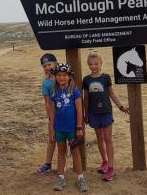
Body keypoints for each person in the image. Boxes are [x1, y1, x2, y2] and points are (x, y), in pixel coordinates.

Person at [82, 51, 129, 181]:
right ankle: (105, 161)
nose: (93, 66)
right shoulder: (86, 80)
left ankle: (111, 168)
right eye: (91, 64)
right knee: (99, 139)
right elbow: (86, 98)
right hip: (93, 113)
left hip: (106, 112)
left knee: (108, 139)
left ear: (101, 63)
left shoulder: (106, 77)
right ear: (88, 64)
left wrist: (121, 106)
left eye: (96, 63)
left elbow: (111, 94)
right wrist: (86, 114)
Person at [49, 63, 90, 192]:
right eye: (59, 75)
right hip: (59, 129)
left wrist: (79, 127)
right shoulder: (54, 92)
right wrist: (51, 128)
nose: (61, 77)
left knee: (75, 153)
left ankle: (80, 178)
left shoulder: (75, 91)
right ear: (55, 77)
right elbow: (52, 112)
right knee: (61, 153)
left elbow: (79, 110)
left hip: (72, 129)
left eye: (64, 75)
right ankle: (61, 177)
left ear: (69, 77)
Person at [36, 53, 57, 174]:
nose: (47, 67)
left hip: (66, 115)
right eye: (44, 66)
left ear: (55, 63)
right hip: (53, 117)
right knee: (52, 140)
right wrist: (51, 118)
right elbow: (47, 102)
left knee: (63, 141)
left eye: (49, 64)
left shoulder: (63, 77)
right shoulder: (46, 83)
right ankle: (48, 164)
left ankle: (62, 165)